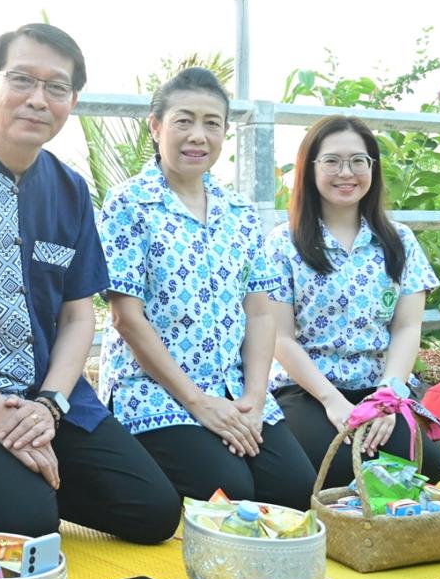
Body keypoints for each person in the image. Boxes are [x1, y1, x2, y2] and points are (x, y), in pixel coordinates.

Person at [0, 24, 181, 544]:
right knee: (29, 526)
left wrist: (49, 404)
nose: (37, 99)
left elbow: (77, 316)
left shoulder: (70, 189)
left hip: (48, 396)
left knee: (155, 512)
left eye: (56, 87)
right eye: (22, 79)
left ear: (72, 101)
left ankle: (6, 480)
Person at [97, 66, 316, 508]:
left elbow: (260, 313)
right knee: (230, 490)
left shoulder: (240, 213)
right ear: (156, 126)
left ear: (225, 133)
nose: (198, 135)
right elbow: (126, 318)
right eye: (184, 120)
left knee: (296, 490)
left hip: (234, 388)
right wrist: (198, 403)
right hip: (154, 391)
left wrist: (254, 399)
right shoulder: (129, 203)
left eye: (211, 123)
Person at [262, 115, 440, 488]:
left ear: (372, 168)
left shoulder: (400, 241)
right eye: (332, 161)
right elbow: (280, 338)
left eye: (357, 161)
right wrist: (332, 401)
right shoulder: (284, 243)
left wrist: (387, 397)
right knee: (335, 465)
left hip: (378, 386)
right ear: (310, 169)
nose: (346, 173)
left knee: (425, 462)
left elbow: (407, 328)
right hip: (308, 389)